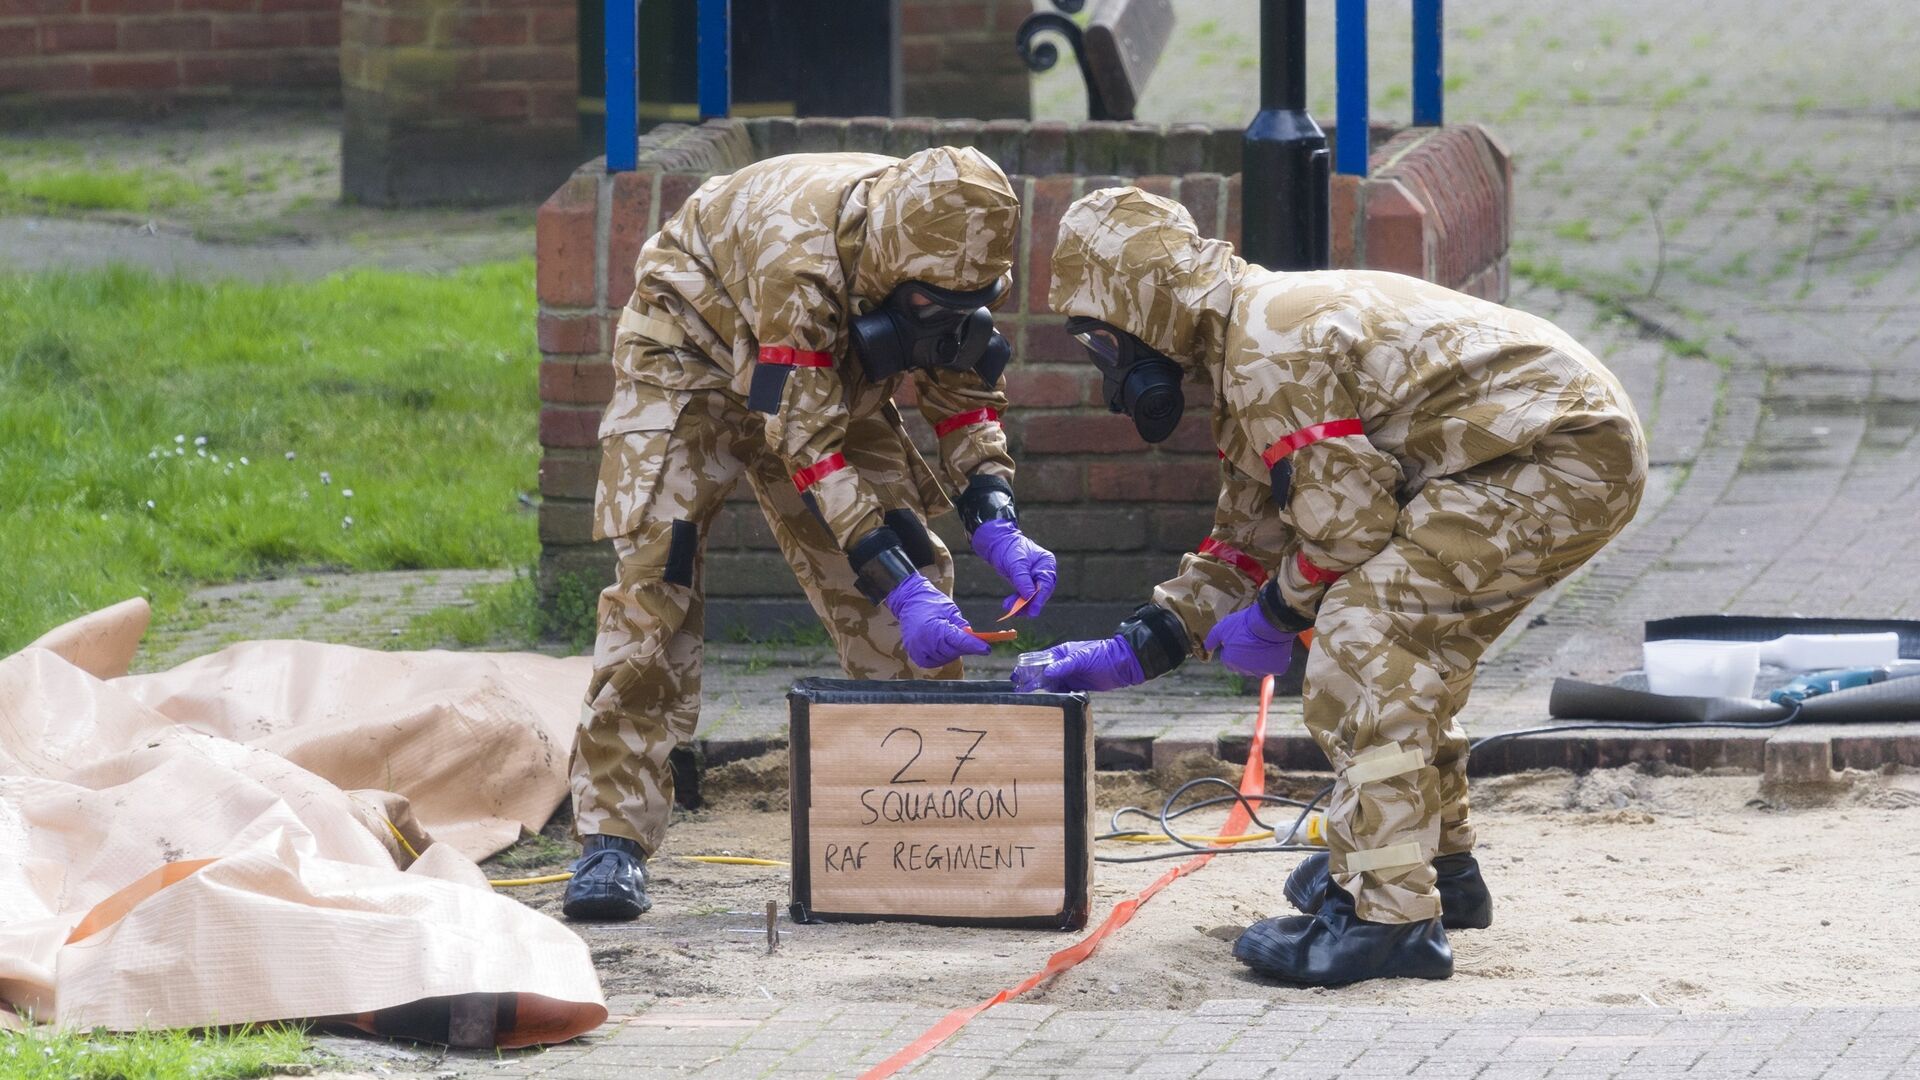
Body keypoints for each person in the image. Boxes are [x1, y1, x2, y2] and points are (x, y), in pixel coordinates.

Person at [1022, 187, 1646, 985]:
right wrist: (1140, 645)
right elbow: (1250, 534)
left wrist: (1280, 611)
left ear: (1138, 306)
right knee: (1409, 643)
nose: (1107, 367)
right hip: (1548, 450)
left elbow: (1347, 527)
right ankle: (1436, 871)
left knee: (1365, 635)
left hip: (1557, 454)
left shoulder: (1266, 350)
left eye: (1101, 341)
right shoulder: (1247, 338)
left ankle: (1387, 918)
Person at [567, 148, 1058, 921]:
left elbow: (964, 396)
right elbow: (805, 442)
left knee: (909, 564)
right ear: (894, 272)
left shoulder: (953, 256)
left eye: (973, 302)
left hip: (817, 375)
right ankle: (611, 837)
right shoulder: (803, 255)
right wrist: (892, 578)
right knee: (657, 576)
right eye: (933, 305)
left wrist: (996, 518)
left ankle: (921, 826)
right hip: (689, 353)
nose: (951, 317)